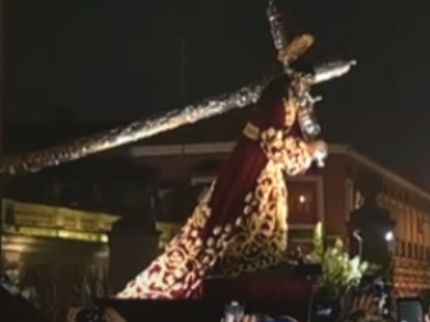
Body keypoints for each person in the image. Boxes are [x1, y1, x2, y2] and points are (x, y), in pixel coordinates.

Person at [117, 70, 326, 299]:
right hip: (255, 170)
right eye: (306, 83)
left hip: (265, 170)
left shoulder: (290, 104)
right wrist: (308, 151)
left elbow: (287, 143)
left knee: (263, 228)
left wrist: (307, 144)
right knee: (243, 223)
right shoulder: (276, 102)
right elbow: (272, 142)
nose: (307, 89)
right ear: (295, 80)